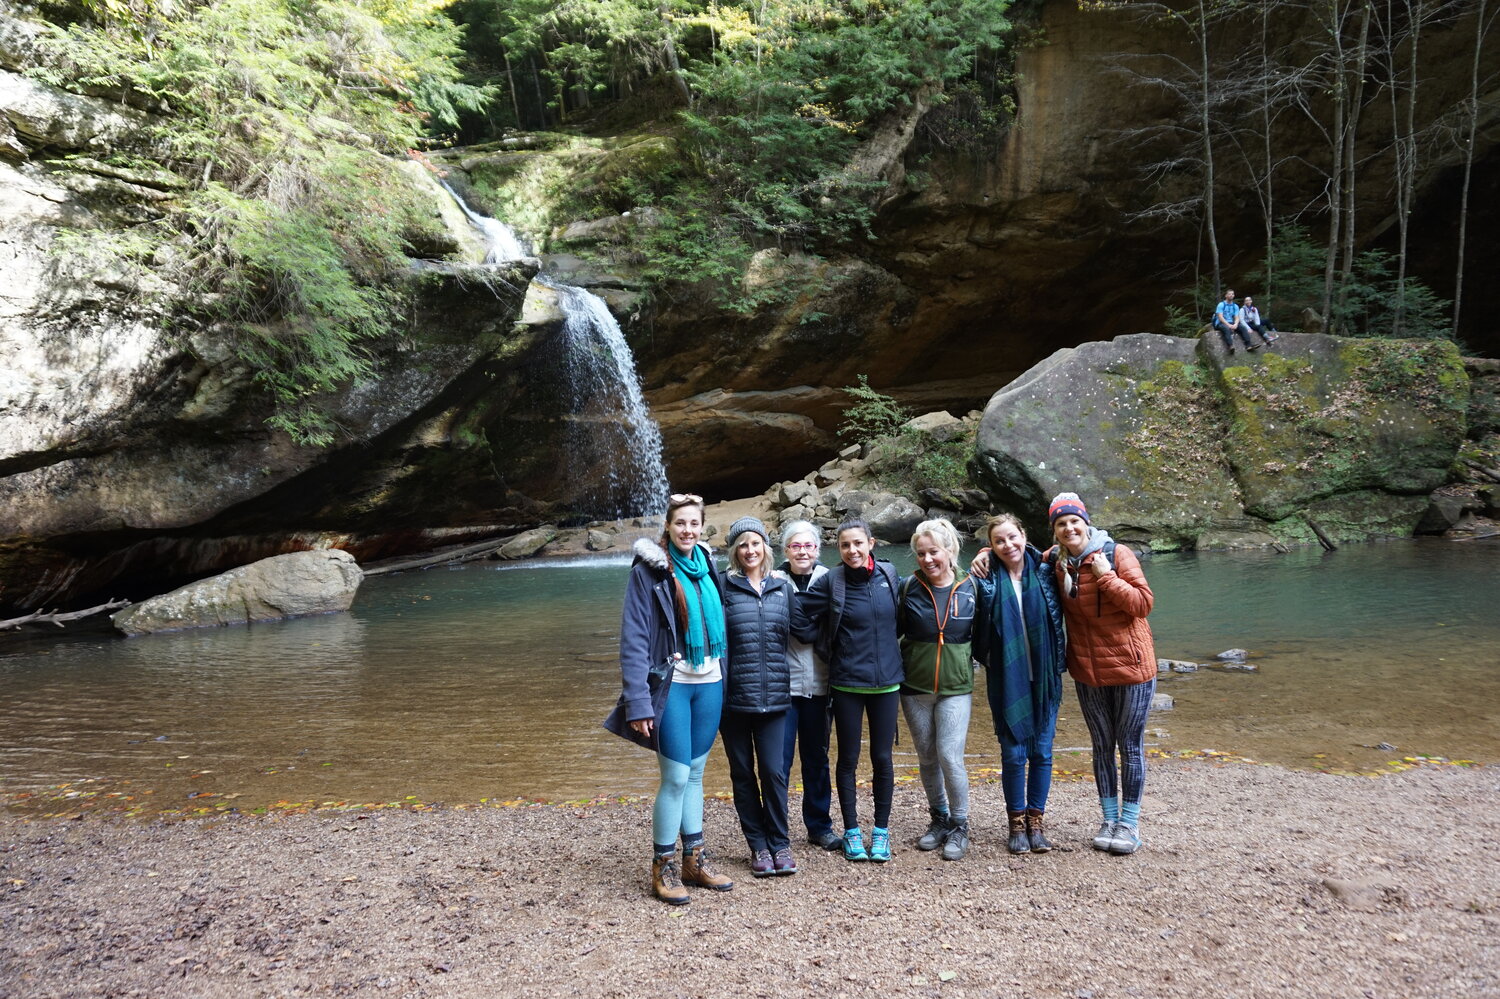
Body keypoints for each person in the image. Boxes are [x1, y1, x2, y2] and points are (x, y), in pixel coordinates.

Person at [606, 492, 735, 904]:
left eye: (694, 524)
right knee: (676, 776)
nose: (688, 530)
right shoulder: (649, 571)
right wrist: (637, 703)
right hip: (673, 684)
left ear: (702, 528)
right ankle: (662, 864)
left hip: (711, 679)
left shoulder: (707, 564)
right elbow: (635, 639)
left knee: (696, 774)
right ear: (668, 526)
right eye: (680, 523)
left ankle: (693, 860)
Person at [1045, 492, 1157, 856]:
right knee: (1101, 746)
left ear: (1086, 522)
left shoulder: (1115, 554)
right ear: (1055, 532)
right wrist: (984, 554)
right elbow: (1017, 552)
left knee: (1130, 746)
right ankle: (1108, 819)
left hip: (1132, 668)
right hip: (1088, 670)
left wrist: (1107, 578)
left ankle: (1129, 824)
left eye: (1074, 521)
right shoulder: (1058, 563)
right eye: (1061, 524)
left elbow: (1143, 604)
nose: (1069, 528)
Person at [791, 518, 903, 863]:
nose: (852, 550)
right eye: (844, 545)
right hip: (846, 682)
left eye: (858, 543)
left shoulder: (889, 576)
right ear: (837, 549)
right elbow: (797, 610)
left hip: (887, 683)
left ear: (871, 543)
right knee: (849, 759)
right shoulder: (831, 581)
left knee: (882, 759)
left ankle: (881, 832)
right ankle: (852, 831)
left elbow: (916, 606)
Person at [969, 514, 1068, 855]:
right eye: (998, 541)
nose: (1007, 545)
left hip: (1044, 675)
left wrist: (1056, 552)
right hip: (1006, 677)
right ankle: (1015, 823)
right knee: (1013, 755)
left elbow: (1076, 552)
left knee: (1041, 752)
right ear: (991, 546)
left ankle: (1036, 823)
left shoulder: (1046, 570)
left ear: (1024, 536)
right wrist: (981, 556)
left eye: (1012, 537)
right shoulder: (986, 578)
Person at [898, 518, 980, 861]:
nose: (927, 559)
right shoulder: (907, 587)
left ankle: (960, 825)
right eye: (921, 553)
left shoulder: (973, 586)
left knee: (949, 754)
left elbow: (987, 633)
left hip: (956, 687)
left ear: (950, 550)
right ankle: (939, 819)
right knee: (927, 756)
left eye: (934, 551)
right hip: (914, 687)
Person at [719, 517, 796, 877]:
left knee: (774, 772)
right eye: (743, 545)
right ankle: (759, 847)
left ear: (766, 547)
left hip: (775, 697)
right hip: (732, 699)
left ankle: (780, 842)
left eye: (756, 543)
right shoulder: (722, 586)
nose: (750, 550)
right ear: (734, 551)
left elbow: (807, 629)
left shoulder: (784, 588)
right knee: (743, 774)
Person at [776, 520, 839, 852]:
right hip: (782, 687)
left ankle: (820, 826)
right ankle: (778, 830)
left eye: (808, 546)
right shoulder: (772, 581)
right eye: (795, 546)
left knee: (817, 759)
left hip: (820, 684)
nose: (802, 551)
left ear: (818, 549)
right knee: (779, 762)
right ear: (785, 550)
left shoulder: (831, 580)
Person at [1213, 289, 1259, 355]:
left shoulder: (1235, 306)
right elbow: (1220, 317)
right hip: (1221, 323)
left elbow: (1237, 317)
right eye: (1229, 294)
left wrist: (1236, 324)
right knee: (1226, 328)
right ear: (1226, 295)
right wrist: (1228, 325)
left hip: (1231, 323)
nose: (1231, 295)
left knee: (1242, 328)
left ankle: (1248, 345)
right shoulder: (1221, 304)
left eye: (1232, 294)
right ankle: (1230, 346)